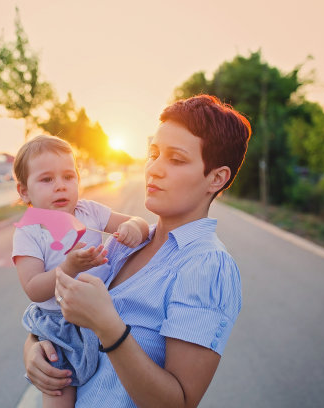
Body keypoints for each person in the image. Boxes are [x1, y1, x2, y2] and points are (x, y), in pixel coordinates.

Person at [24, 94, 252, 407]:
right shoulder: (124, 242)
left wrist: (109, 328)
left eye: (176, 159)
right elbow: (70, 320)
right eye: (154, 153)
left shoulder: (206, 266)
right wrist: (35, 347)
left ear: (216, 178)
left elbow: (179, 402)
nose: (154, 169)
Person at [12, 134, 150, 408]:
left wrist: (134, 228)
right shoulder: (28, 233)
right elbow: (34, 289)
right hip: (58, 327)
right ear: (24, 191)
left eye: (68, 176)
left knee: (113, 382)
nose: (60, 187)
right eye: (47, 180)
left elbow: (140, 223)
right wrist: (69, 267)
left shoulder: (91, 212)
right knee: (59, 388)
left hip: (101, 314)